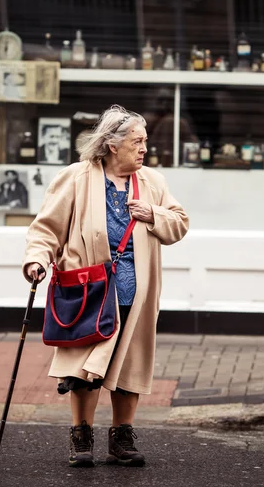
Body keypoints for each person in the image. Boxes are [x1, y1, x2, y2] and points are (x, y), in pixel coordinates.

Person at [23, 104, 189, 468]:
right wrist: (37, 259)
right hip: (91, 291)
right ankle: (81, 438)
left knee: (130, 362)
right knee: (85, 367)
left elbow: (180, 224)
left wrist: (154, 214)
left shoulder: (152, 183)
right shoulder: (77, 178)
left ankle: (122, 438)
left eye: (145, 141)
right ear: (113, 145)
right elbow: (46, 228)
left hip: (136, 291)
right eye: (137, 141)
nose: (144, 148)